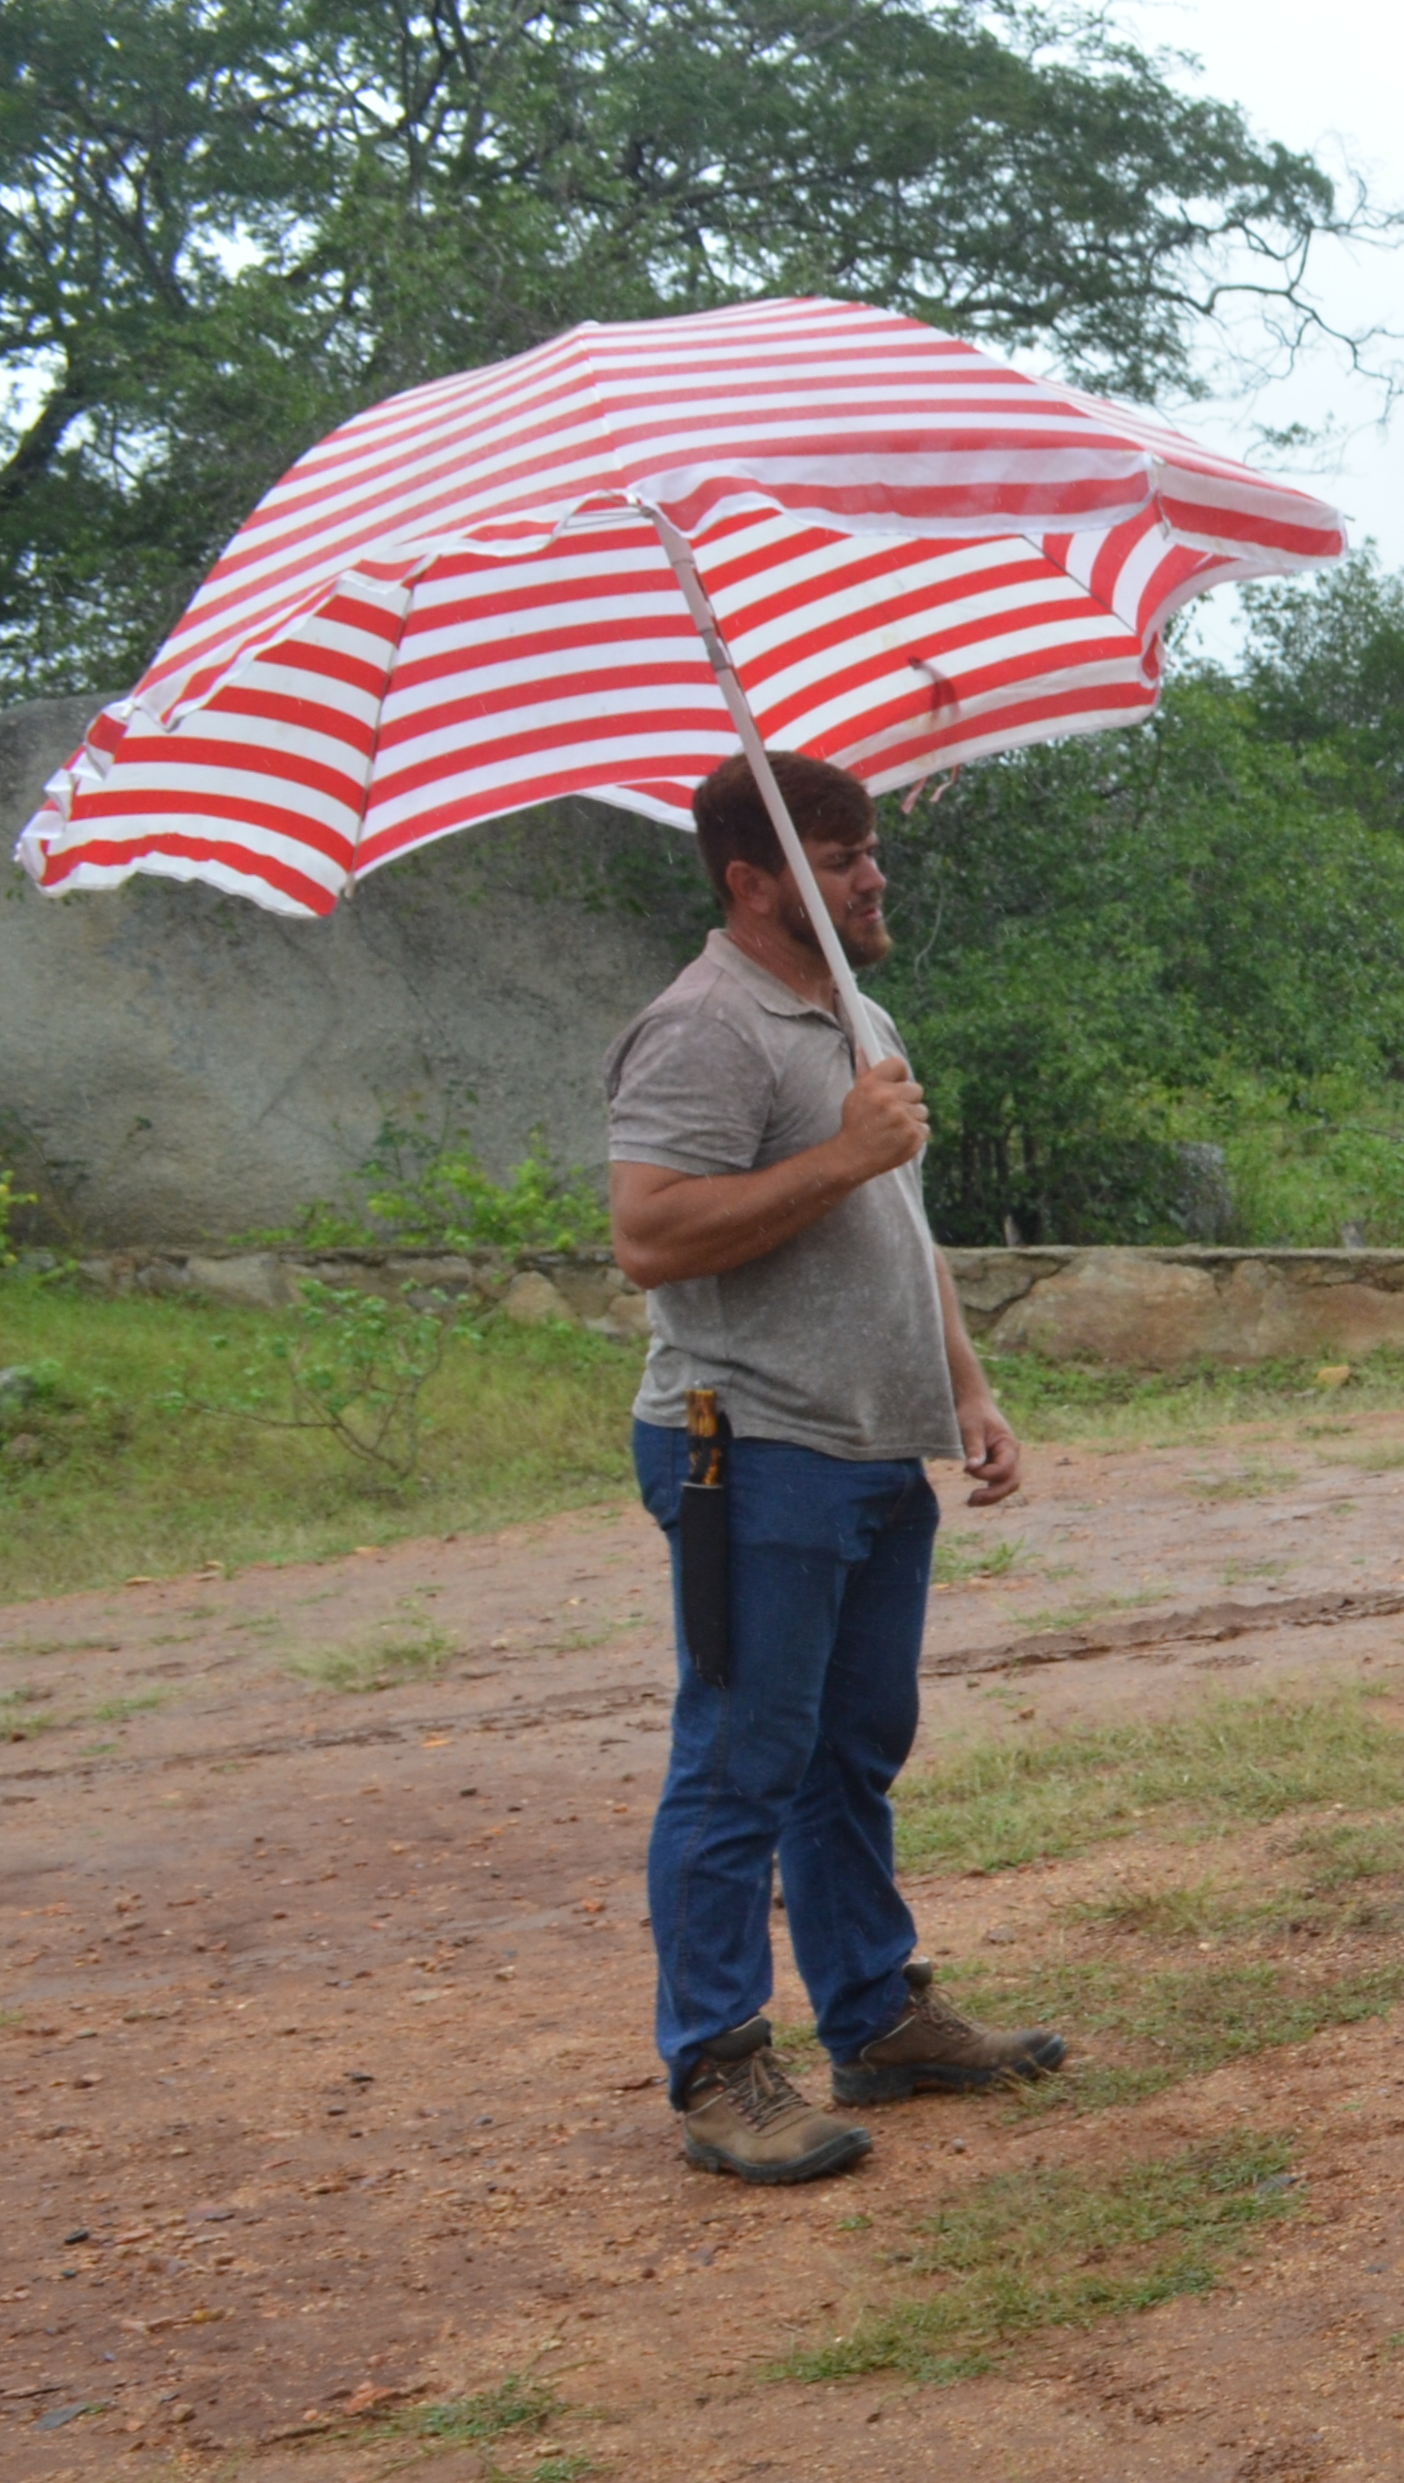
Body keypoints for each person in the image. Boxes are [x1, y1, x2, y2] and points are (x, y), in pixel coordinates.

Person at [603, 750, 1063, 2187]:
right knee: (742, 1761)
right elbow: (652, 1237)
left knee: (851, 1750)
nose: (873, 876)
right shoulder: (700, 1031)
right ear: (754, 883)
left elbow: (900, 1232)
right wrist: (846, 1157)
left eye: (867, 850)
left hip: (873, 1442)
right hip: (748, 1447)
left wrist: (967, 1386)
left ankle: (874, 2016)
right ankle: (717, 2063)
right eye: (841, 856)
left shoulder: (859, 1016)